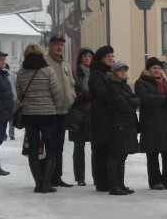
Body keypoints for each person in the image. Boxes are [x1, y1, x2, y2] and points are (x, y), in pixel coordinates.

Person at [16, 44, 64, 193]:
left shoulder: (21, 73)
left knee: (33, 149)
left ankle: (38, 183)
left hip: (30, 115)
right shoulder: (47, 71)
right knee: (51, 148)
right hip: (48, 115)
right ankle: (46, 184)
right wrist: (54, 104)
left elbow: (19, 94)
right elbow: (57, 94)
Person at [134, 57, 167, 190]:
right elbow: (144, 98)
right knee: (152, 154)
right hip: (150, 123)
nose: (157, 70)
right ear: (148, 69)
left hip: (166, 122)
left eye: (159, 68)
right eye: (154, 68)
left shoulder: (165, 82)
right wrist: (165, 99)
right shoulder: (141, 82)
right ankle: (155, 181)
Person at [103, 60, 140, 195]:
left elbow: (136, 100)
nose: (123, 72)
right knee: (115, 156)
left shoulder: (124, 85)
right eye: (120, 70)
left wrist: (132, 102)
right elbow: (123, 105)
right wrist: (132, 102)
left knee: (122, 156)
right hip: (117, 125)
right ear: (114, 73)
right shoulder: (112, 86)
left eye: (125, 70)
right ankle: (114, 186)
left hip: (126, 124)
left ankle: (121, 184)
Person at [45, 35, 76, 188]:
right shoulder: (45, 63)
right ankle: (48, 177)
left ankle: (57, 176)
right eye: (56, 44)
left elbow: (71, 84)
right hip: (50, 111)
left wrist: (72, 97)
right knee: (50, 145)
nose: (59, 47)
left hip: (64, 110)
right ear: (50, 46)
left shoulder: (66, 65)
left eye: (62, 45)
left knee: (59, 146)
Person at [88, 45, 115, 192]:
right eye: (108, 56)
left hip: (108, 117)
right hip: (100, 117)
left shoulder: (107, 73)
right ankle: (101, 181)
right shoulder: (96, 75)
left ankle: (108, 179)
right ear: (101, 59)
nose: (111, 58)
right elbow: (102, 94)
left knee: (107, 149)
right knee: (100, 150)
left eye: (112, 56)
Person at [69, 48, 94, 186]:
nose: (87, 58)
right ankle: (80, 177)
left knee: (96, 147)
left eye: (90, 56)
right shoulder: (74, 73)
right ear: (80, 58)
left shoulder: (97, 73)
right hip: (79, 113)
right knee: (79, 148)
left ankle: (97, 175)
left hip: (94, 113)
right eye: (85, 56)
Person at [6, 63, 17, 141]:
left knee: (3, 117)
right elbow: (17, 86)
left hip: (3, 100)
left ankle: (3, 135)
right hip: (13, 98)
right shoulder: (13, 76)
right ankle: (11, 133)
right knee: (12, 117)